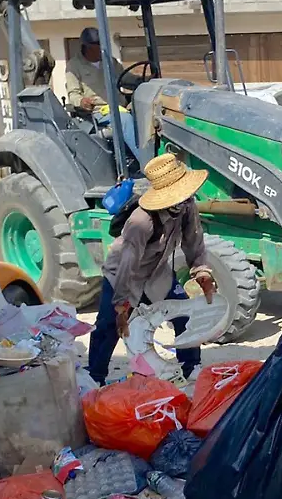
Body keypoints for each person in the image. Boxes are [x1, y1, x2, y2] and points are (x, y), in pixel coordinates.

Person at [86, 153, 216, 385]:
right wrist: (122, 307)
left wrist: (202, 272)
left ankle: (190, 365)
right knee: (108, 326)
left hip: (158, 273)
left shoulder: (186, 206)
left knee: (184, 314)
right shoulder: (141, 221)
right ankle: (95, 377)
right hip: (124, 276)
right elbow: (127, 264)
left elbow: (193, 241)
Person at [66, 27, 141, 161]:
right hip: (98, 112)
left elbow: (125, 79)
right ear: (87, 47)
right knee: (124, 120)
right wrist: (82, 102)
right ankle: (148, 164)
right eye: (97, 45)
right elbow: (73, 94)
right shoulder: (74, 66)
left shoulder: (110, 62)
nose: (101, 49)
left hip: (120, 106)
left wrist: (143, 80)